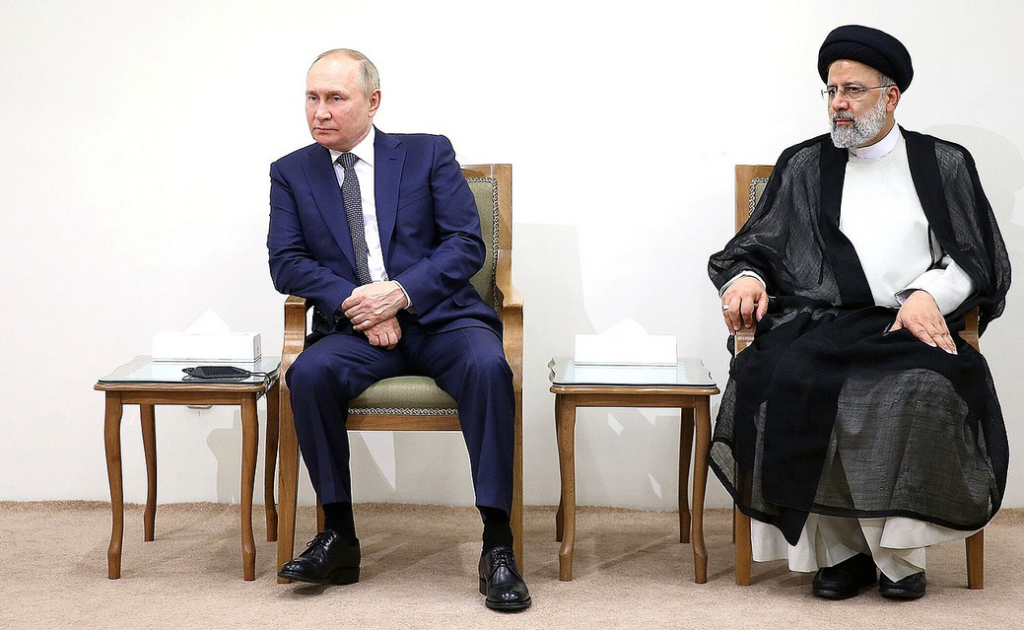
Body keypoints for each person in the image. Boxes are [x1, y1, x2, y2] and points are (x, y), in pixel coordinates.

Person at [708, 25, 1010, 601]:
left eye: (852, 90)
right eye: (831, 91)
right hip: (821, 322)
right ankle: (840, 553)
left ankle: (898, 557)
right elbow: (757, 247)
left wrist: (927, 296)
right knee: (786, 376)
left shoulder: (943, 163)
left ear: (890, 96)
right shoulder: (803, 164)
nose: (838, 104)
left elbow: (976, 258)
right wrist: (746, 278)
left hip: (904, 322)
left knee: (919, 386)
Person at [267, 48, 530, 612]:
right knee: (307, 373)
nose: (320, 111)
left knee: (489, 366)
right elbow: (286, 263)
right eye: (312, 98)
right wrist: (362, 304)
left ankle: (497, 544)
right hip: (356, 330)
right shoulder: (291, 172)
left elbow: (465, 244)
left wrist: (401, 294)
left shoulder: (427, 153)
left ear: (373, 102)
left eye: (336, 98)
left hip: (443, 320)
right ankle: (338, 535)